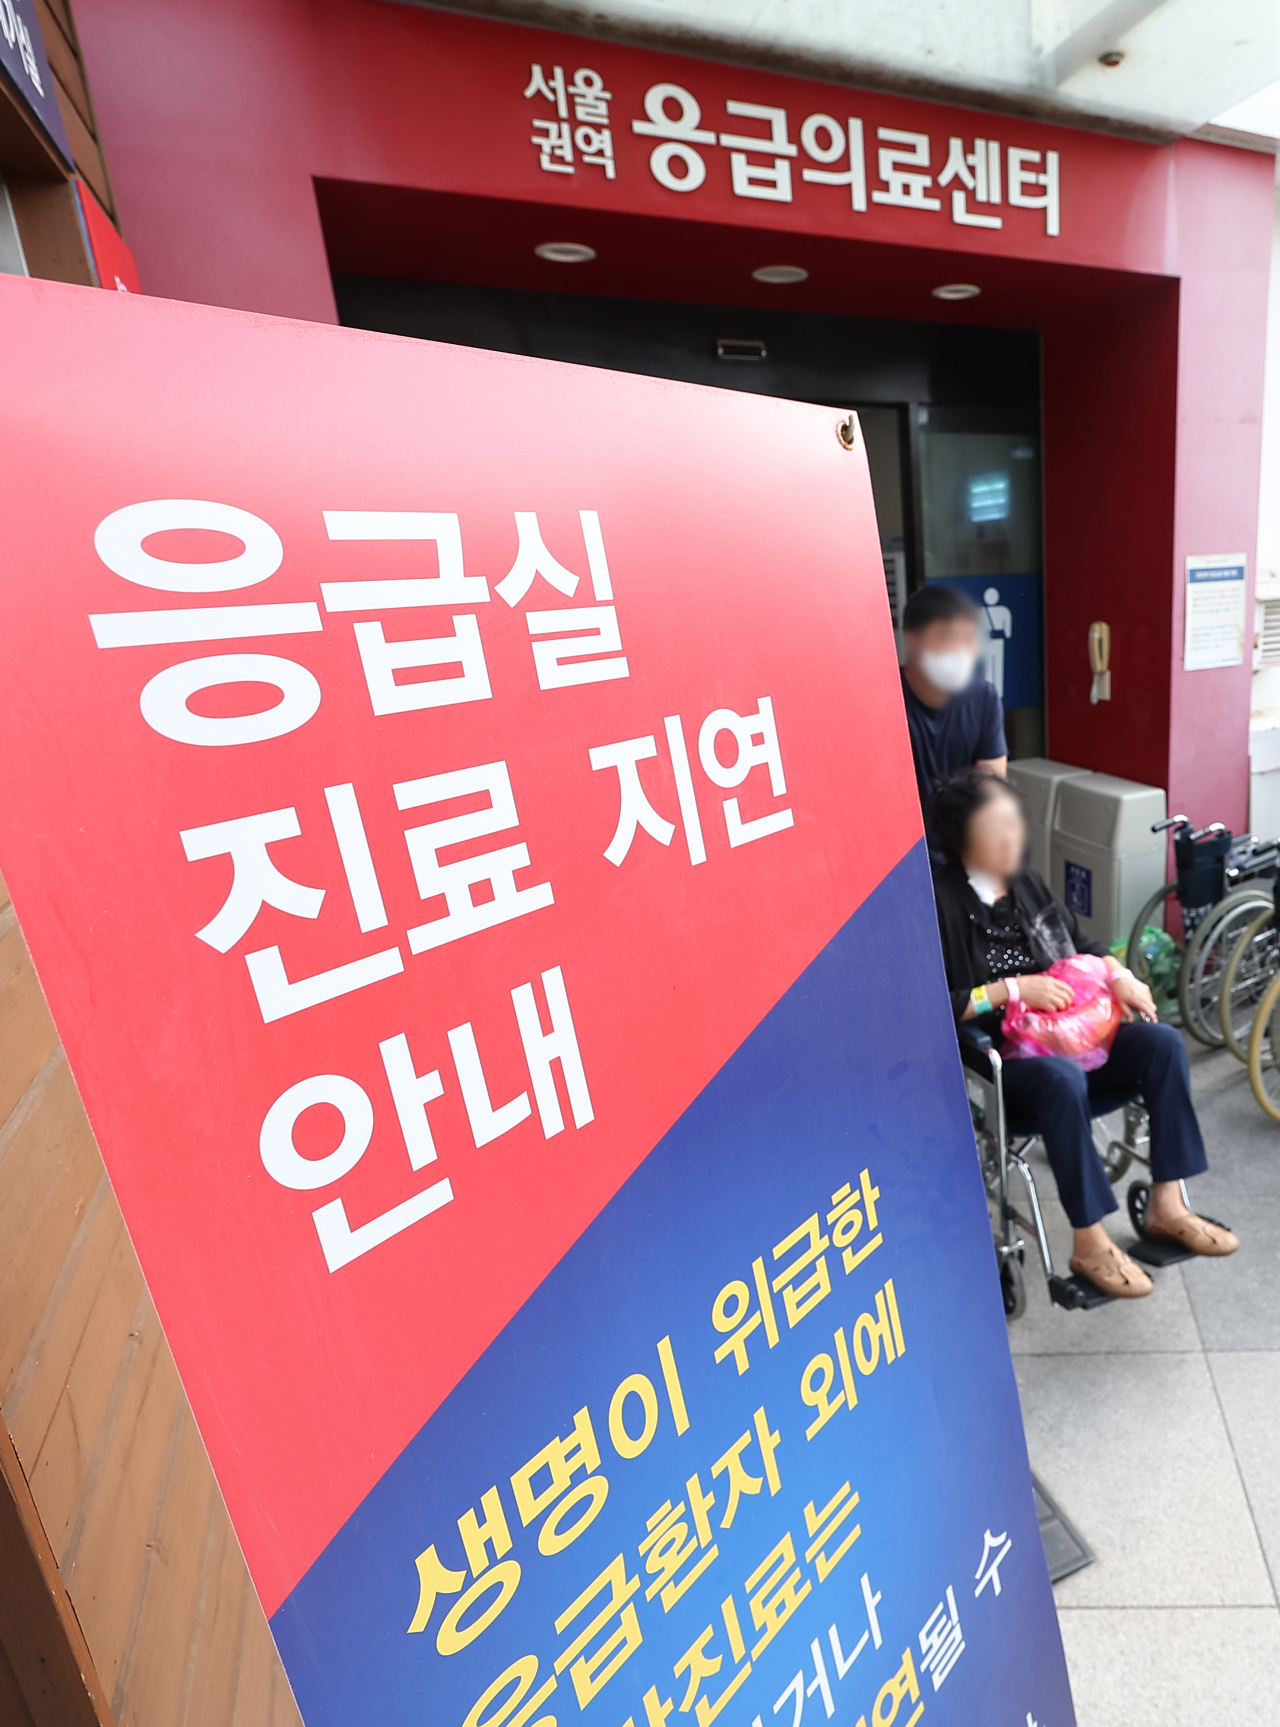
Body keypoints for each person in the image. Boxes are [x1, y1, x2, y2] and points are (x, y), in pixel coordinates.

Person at [930, 767, 1238, 1299]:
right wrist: (1014, 990)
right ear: (963, 838)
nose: (1012, 837)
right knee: (1057, 1079)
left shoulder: (1026, 882)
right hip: (1010, 1064)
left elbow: (1086, 947)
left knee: (1161, 1043)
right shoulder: (940, 902)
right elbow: (936, 1005)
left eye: (1013, 823)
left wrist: (1122, 978)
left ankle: (1168, 1205)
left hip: (1078, 1040)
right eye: (995, 827)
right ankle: (1090, 1241)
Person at [900, 587, 1007, 848]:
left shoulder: (983, 697)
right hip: (901, 860)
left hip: (961, 857)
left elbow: (991, 788)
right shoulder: (885, 700)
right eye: (947, 637)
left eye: (967, 638)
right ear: (913, 640)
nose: (959, 650)